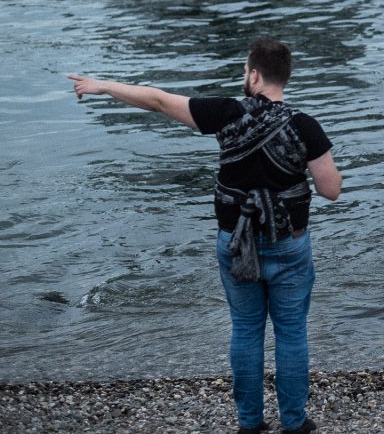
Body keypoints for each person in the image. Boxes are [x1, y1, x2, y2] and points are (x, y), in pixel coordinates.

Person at [68, 38, 340, 434]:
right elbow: (331, 190)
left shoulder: (227, 113)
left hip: (235, 242)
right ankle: (294, 424)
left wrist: (104, 85)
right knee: (291, 331)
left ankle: (250, 424)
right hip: (289, 244)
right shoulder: (305, 125)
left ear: (253, 74)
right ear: (286, 76)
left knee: (246, 330)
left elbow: (159, 101)